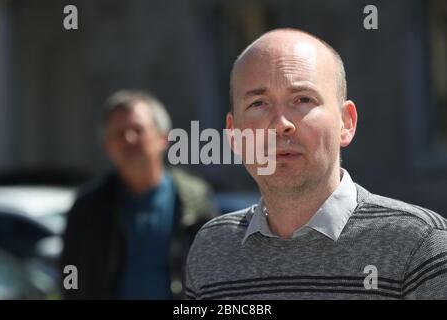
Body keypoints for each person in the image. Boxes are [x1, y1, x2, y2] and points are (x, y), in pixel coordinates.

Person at [185, 28, 447, 299]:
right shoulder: (212, 247)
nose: (280, 124)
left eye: (302, 100)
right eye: (259, 103)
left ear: (346, 123)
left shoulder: (420, 246)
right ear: (233, 135)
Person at [61, 90, 218, 299]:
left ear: (163, 138)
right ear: (107, 146)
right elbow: (69, 270)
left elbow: (219, 266)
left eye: (138, 129)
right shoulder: (88, 207)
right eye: (118, 133)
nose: (128, 139)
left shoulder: (196, 200)